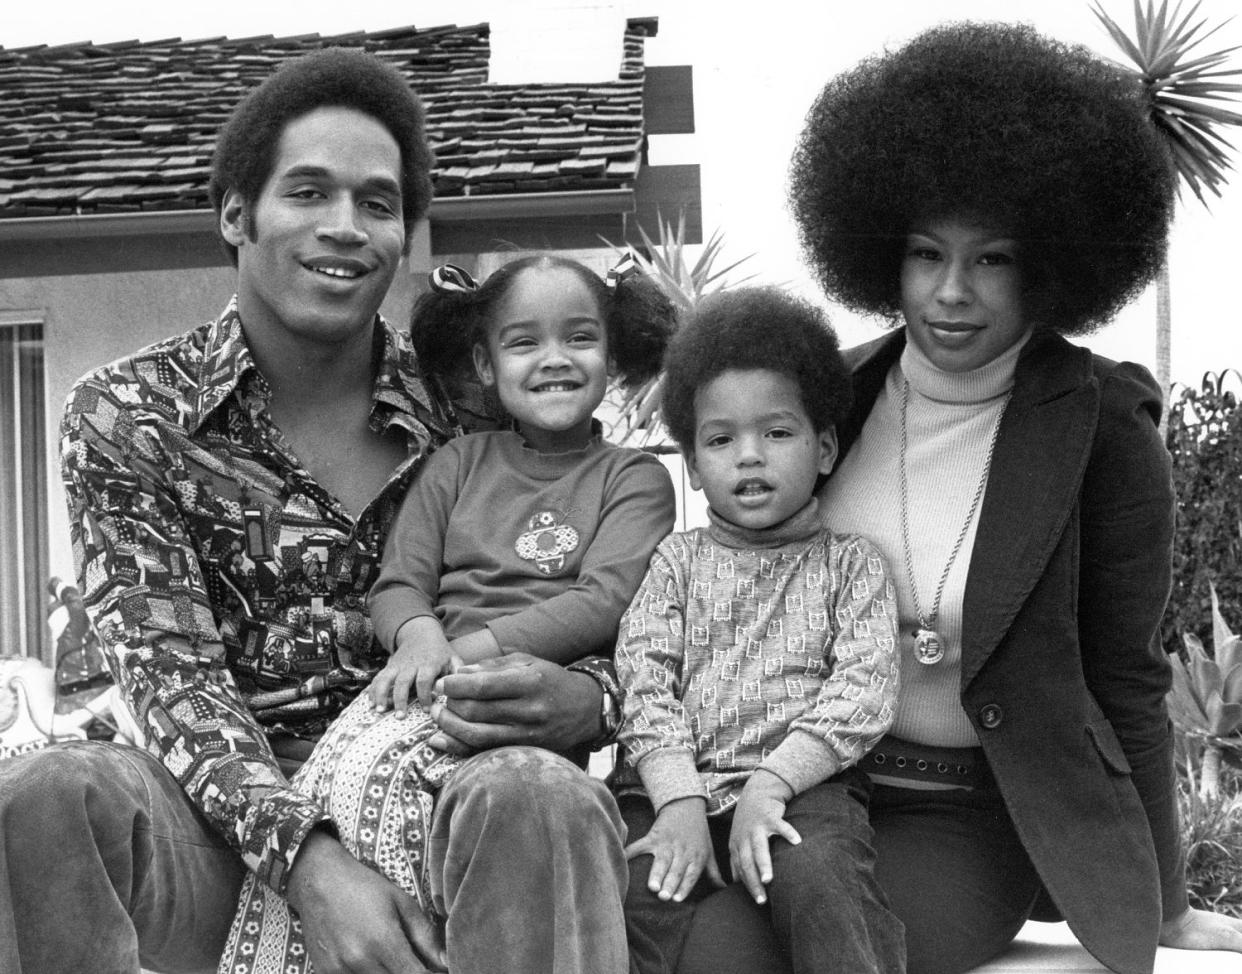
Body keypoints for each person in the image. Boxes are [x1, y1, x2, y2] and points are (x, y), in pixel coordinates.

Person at [0, 48, 632, 974]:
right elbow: (175, 684)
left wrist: (590, 700)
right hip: (209, 824)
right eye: (307, 193)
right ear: (235, 213)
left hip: (446, 782)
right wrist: (312, 863)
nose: (345, 226)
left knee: (540, 794)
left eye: (376, 204)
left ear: (405, 238)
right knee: (48, 796)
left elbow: (618, 598)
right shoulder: (129, 415)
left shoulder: (481, 406)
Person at [676, 21, 1242, 974]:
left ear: (1052, 265)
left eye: (993, 259)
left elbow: (1129, 679)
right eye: (926, 254)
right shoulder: (832, 397)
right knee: (692, 945)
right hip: (800, 781)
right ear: (880, 253)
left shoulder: (1102, 426)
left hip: (967, 814)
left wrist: (1167, 905)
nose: (949, 293)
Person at [218, 253, 679, 974]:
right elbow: (398, 584)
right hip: (421, 690)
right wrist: (421, 636)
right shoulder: (458, 464)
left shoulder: (634, 478)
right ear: (485, 364)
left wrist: (466, 652)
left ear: (614, 354)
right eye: (524, 342)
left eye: (580, 338)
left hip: (521, 711)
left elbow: (603, 600)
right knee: (353, 805)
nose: (553, 360)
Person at [613, 286, 905, 974]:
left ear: (825, 446)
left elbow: (864, 692)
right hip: (668, 789)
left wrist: (773, 784)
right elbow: (643, 682)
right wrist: (677, 800)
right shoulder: (677, 562)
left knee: (824, 884)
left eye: (776, 433)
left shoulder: (850, 565)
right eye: (721, 439)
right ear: (693, 464)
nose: (749, 456)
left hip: (804, 794)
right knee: (622, 894)